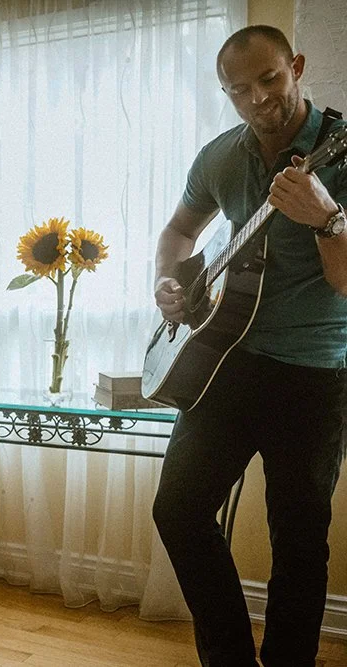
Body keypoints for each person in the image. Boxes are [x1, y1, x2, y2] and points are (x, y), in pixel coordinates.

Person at [151, 25, 347, 666]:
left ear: (295, 66)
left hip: (315, 373)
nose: (258, 98)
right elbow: (180, 231)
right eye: (239, 90)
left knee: (298, 541)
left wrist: (326, 218)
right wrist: (170, 281)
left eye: (269, 79)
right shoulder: (220, 157)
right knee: (177, 510)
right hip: (227, 362)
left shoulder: (339, 150)